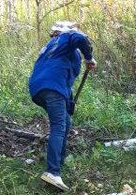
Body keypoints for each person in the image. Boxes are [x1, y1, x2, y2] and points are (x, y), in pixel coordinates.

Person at [29, 21, 96, 192]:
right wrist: (89, 57)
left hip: (40, 89)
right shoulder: (66, 38)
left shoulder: (51, 47)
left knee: (65, 122)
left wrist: (69, 103)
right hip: (52, 87)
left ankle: (59, 163)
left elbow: (62, 76)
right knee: (59, 126)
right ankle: (52, 171)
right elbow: (80, 38)